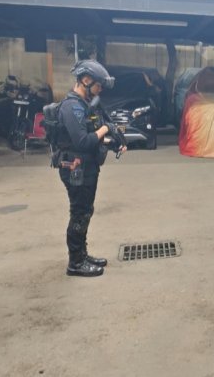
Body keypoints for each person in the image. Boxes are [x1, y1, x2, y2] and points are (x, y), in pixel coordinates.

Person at [54, 60, 127, 277]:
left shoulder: (84, 105)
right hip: (75, 168)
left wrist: (113, 142)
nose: (100, 89)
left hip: (86, 167)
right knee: (79, 213)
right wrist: (106, 128)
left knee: (85, 211)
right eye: (98, 85)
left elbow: (93, 138)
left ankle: (82, 255)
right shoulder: (71, 107)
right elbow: (83, 141)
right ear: (86, 80)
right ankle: (75, 263)